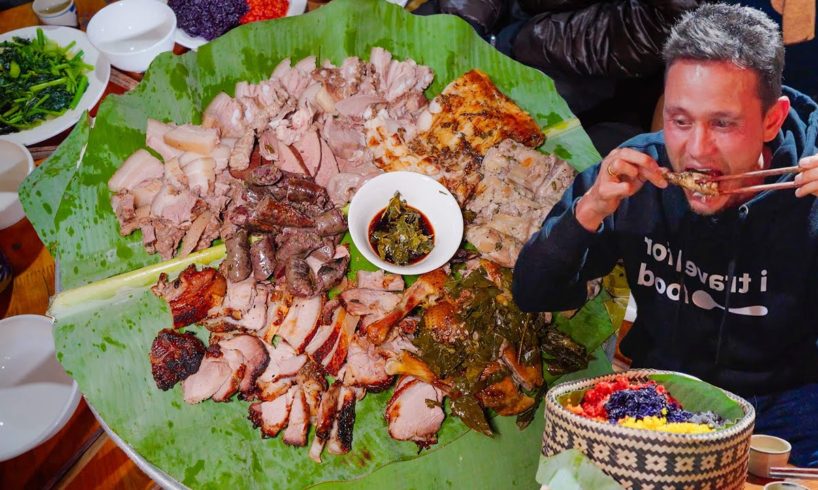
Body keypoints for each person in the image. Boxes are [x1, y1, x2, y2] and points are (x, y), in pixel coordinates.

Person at [512, 3, 818, 467]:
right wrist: (590, 208)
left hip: (789, 400)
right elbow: (534, 292)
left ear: (772, 120)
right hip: (662, 393)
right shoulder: (639, 173)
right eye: (680, 121)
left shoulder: (808, 188)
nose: (696, 152)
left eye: (723, 123)